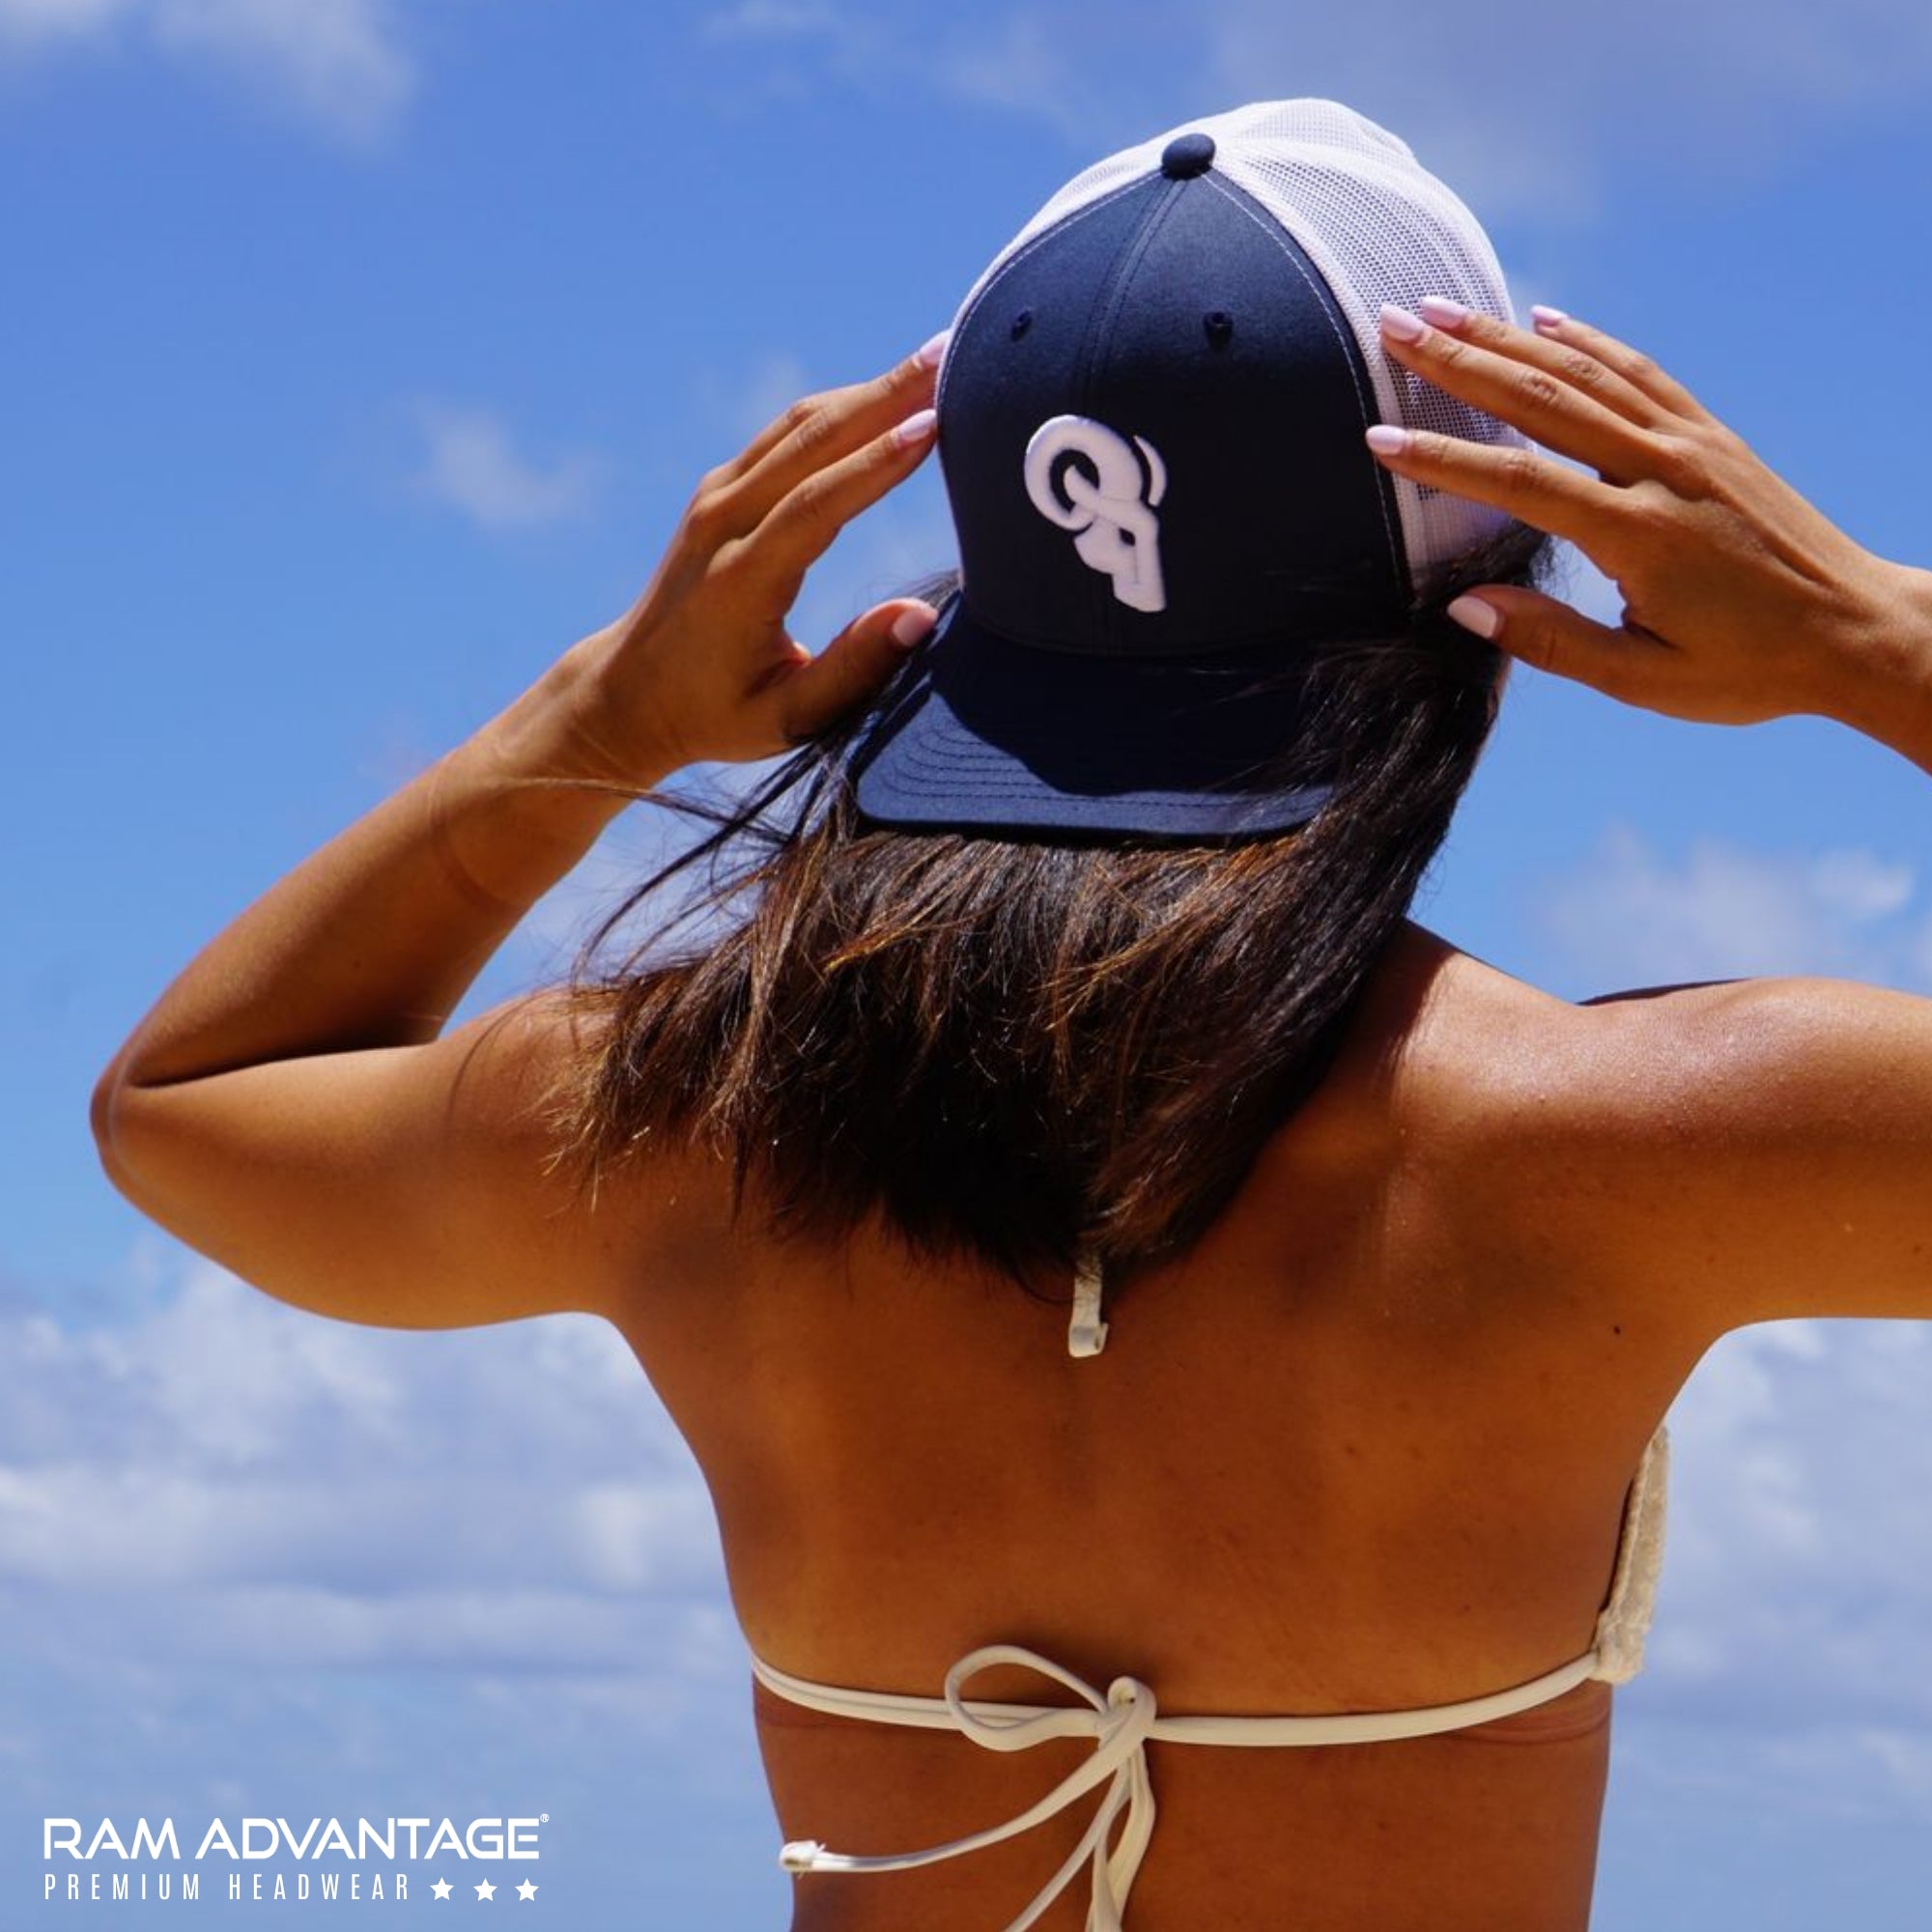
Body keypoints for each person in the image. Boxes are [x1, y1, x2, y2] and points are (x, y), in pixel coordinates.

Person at [90, 98, 1932, 1932]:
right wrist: (1874, 643)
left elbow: (186, 1105)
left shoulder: (685, 1116)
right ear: (1494, 601)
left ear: (985, 590)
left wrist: (597, 719)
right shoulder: (1632, 1140)